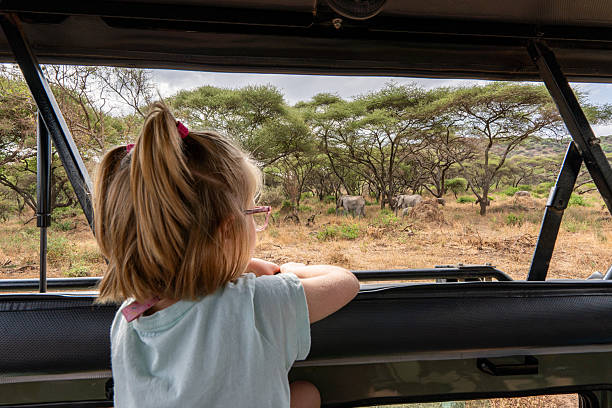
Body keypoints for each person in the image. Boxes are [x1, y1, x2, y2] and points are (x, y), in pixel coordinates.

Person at [93, 101, 360, 408]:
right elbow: (345, 281)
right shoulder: (255, 302)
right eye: (253, 211)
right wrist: (289, 270)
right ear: (227, 231)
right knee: (307, 394)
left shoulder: (127, 318)